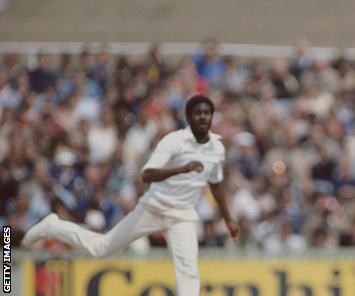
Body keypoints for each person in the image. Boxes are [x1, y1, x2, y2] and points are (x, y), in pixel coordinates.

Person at [21, 95, 241, 296]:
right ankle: (53, 227)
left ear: (212, 116)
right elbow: (146, 174)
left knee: (189, 273)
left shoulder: (216, 148)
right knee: (102, 249)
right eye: (197, 113)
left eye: (206, 113)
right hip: (154, 207)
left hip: (182, 214)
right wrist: (181, 169)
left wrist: (228, 218)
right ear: (189, 117)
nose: (202, 117)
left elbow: (216, 183)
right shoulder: (173, 141)